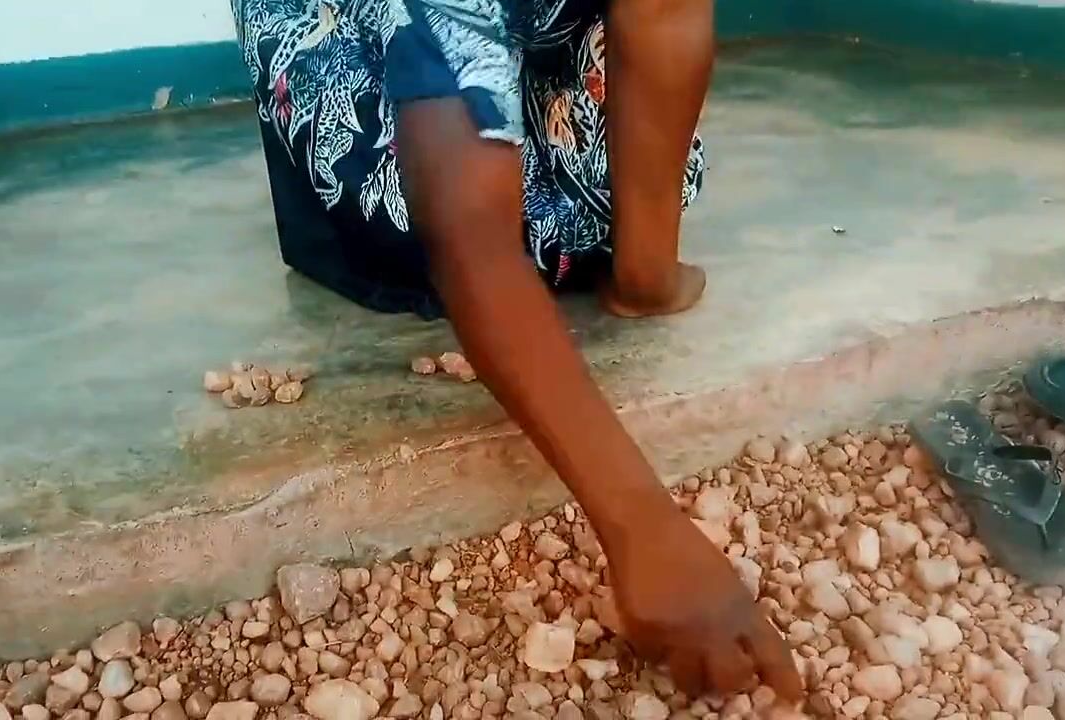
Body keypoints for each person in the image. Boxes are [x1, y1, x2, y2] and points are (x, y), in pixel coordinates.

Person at [231, 0, 802, 699]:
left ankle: (611, 249)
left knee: (589, 180)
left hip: (528, 38)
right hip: (376, 65)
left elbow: (668, 10)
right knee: (417, 207)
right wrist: (642, 524)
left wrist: (647, 273)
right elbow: (468, 231)